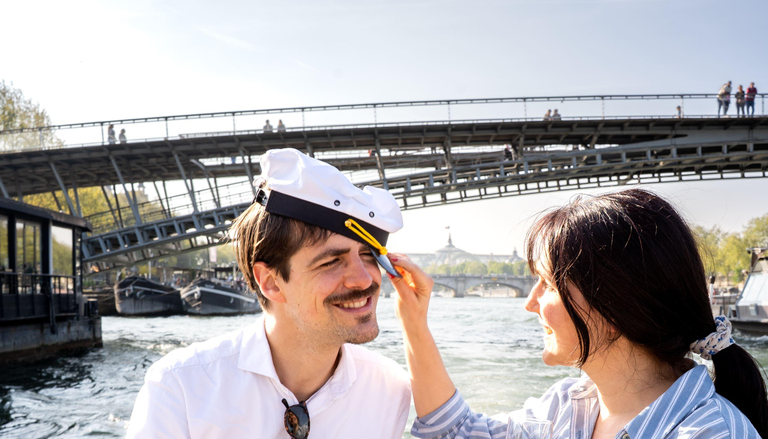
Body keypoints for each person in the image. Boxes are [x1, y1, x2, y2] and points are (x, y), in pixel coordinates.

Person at [388, 189, 767, 439]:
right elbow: (455, 431)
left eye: (547, 284)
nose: (530, 302)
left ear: (615, 304)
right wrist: (413, 320)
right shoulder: (566, 406)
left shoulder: (713, 433)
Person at [126, 148, 411, 438]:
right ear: (271, 282)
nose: (364, 280)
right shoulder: (178, 390)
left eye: (368, 256)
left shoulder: (391, 391)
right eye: (331, 262)